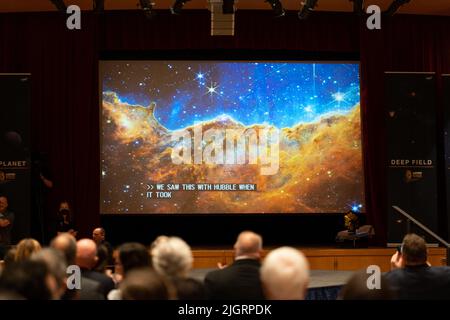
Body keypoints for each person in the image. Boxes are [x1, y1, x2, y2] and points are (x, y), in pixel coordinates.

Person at [385, 233, 450, 300]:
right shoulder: (446, 275)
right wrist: (429, 267)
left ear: (403, 256)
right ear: (427, 253)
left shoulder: (387, 280)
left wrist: (395, 271)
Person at [204, 231, 265, 300]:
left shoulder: (214, 278)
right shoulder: (272, 278)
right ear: (260, 252)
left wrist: (223, 273)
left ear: (235, 249)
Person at [0, 195, 14, 259]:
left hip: (4, 245)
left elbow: (2, 224)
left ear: (6, 204)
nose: (0, 204)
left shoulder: (10, 214)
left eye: (2, 203)